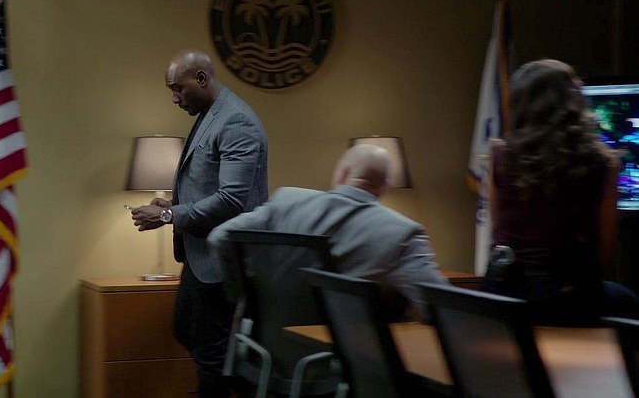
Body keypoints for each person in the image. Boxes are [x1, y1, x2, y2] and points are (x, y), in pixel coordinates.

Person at [130, 49, 268, 397]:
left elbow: (232, 200)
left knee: (211, 351)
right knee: (187, 330)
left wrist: (169, 216)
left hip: (225, 262)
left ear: (202, 79)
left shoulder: (236, 121)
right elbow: (208, 186)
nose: (175, 98)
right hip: (201, 257)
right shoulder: (212, 113)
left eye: (178, 88)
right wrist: (174, 206)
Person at [208, 143, 449, 321]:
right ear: (384, 187)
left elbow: (220, 238)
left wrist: (244, 301)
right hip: (348, 365)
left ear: (342, 173)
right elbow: (443, 310)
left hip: (268, 358)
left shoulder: (285, 201)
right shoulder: (403, 234)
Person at [480, 58, 639, 325]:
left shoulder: (499, 154)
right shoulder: (603, 162)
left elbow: (497, 228)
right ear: (574, 102)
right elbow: (603, 250)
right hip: (566, 297)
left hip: (503, 293)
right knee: (628, 303)